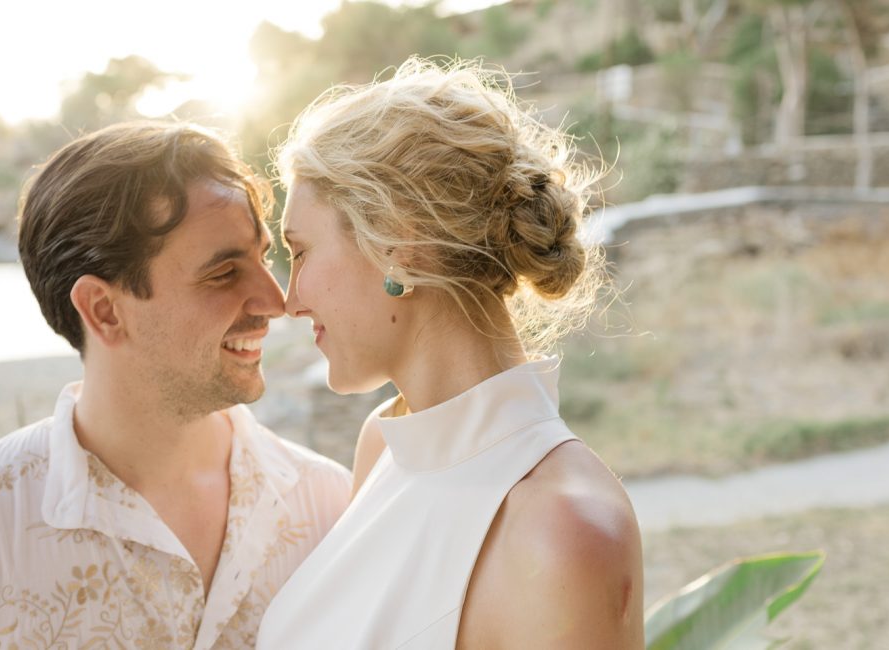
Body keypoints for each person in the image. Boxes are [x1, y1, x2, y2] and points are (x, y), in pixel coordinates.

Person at [0, 122, 351, 649]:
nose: (276, 301)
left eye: (263, 256)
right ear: (103, 310)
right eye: (223, 273)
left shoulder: (333, 510)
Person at [256, 58, 644, 649]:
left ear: (396, 242)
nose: (291, 301)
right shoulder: (383, 445)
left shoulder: (560, 529)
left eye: (300, 251)